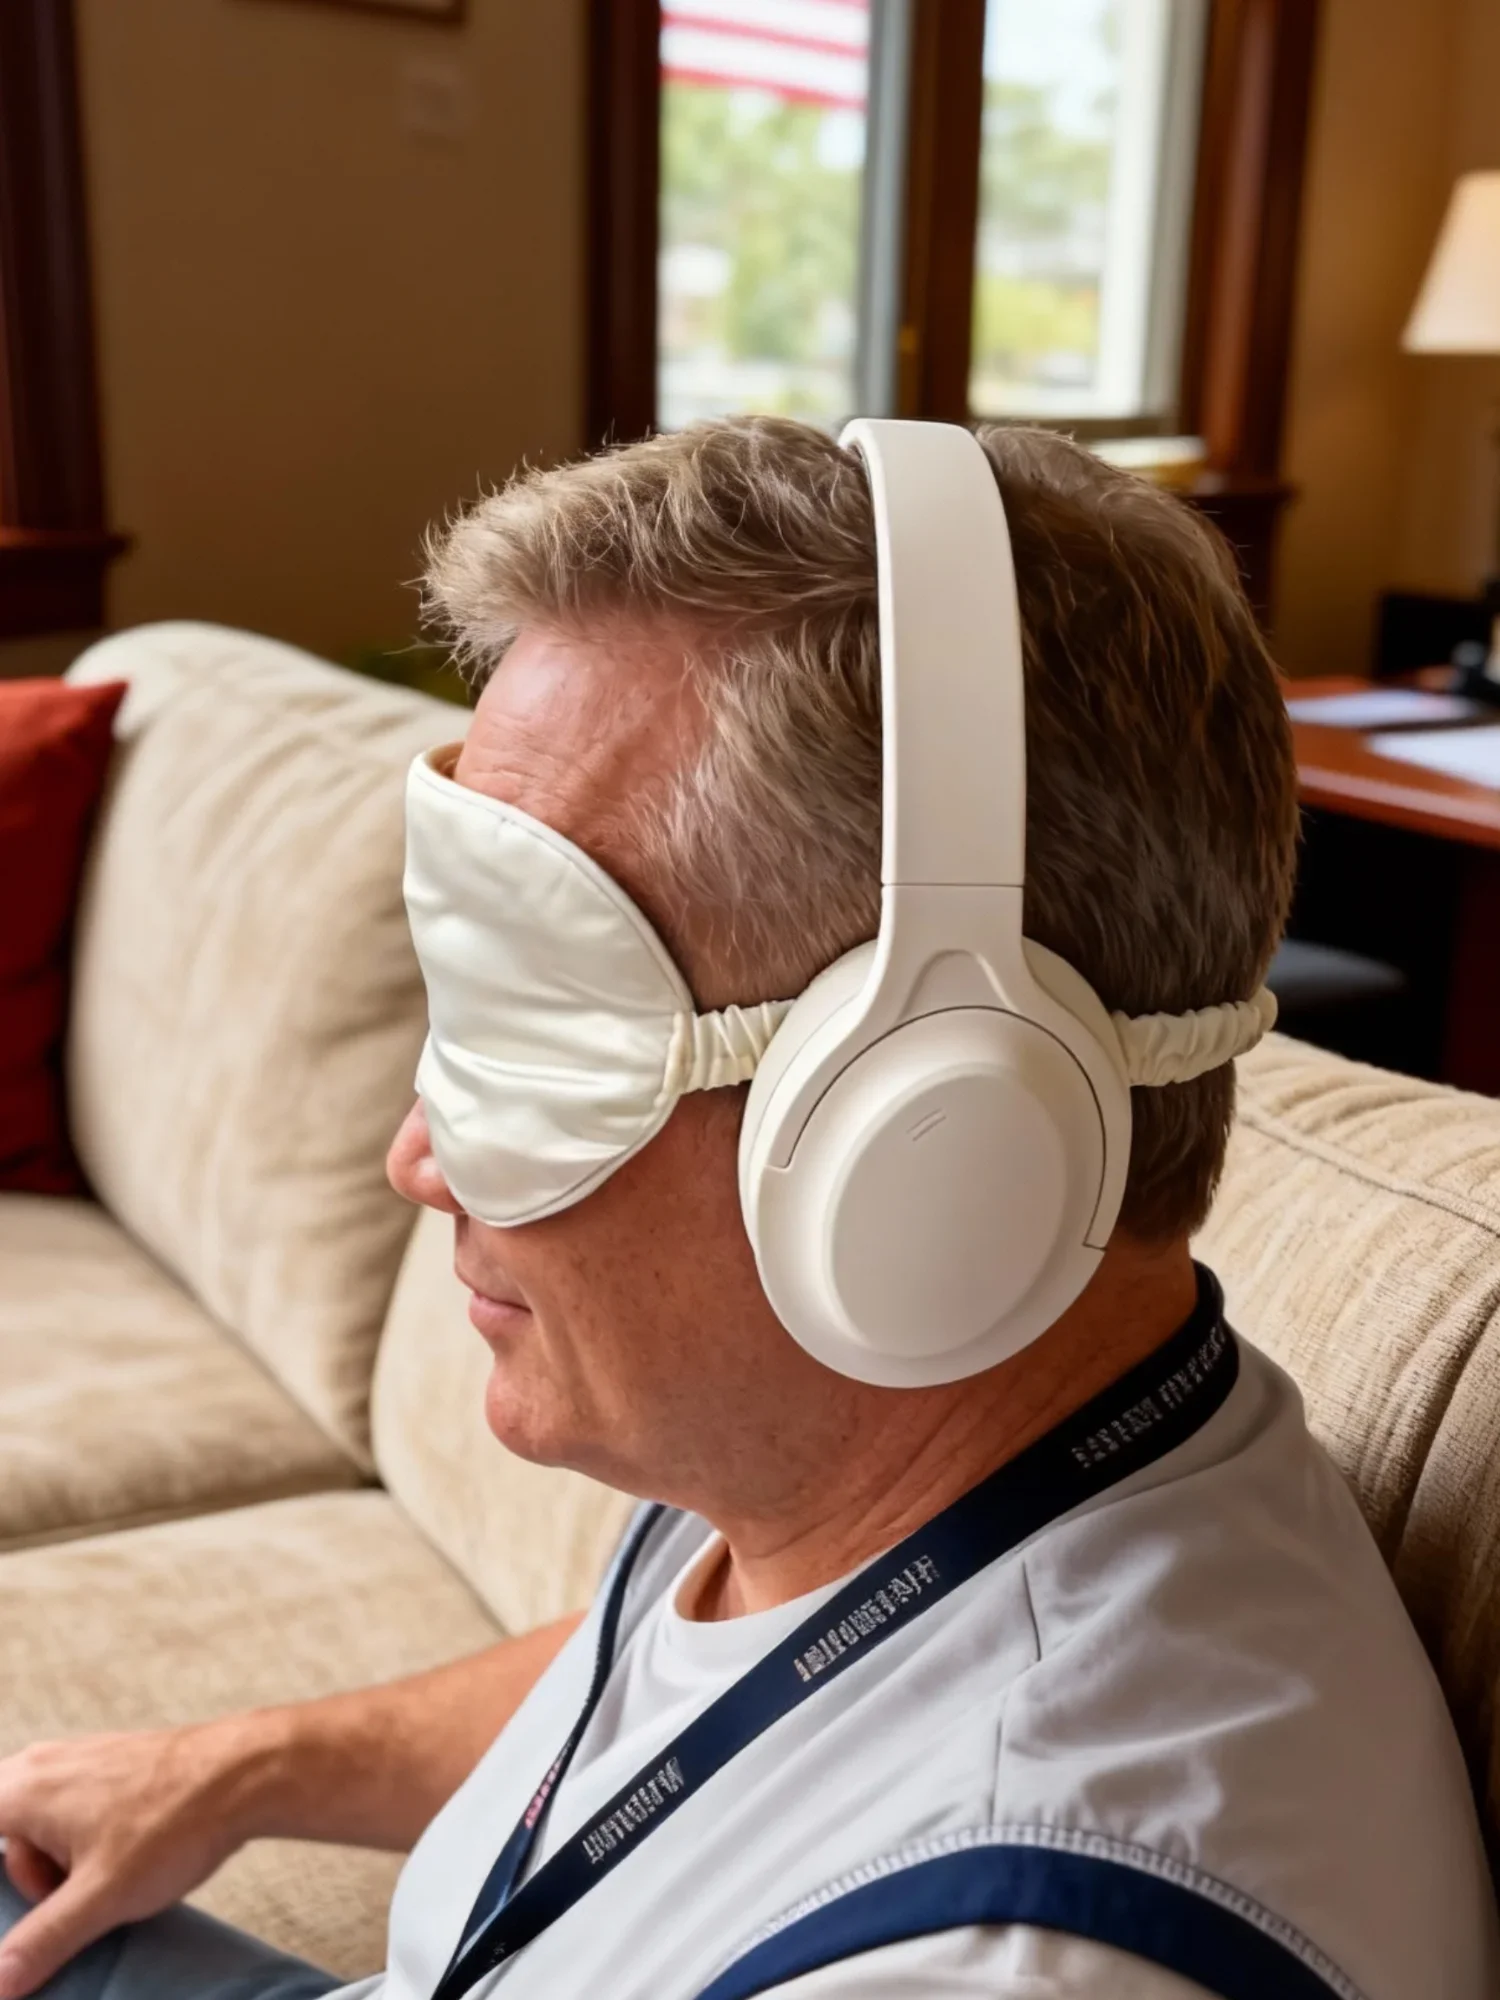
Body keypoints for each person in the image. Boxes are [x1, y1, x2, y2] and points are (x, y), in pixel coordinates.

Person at [0, 418, 1494, 2000]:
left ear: (926, 1132)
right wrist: (229, 1770)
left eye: (541, 1034)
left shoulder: (1011, 1958)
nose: (419, 1157)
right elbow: (699, 1697)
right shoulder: (885, 1464)